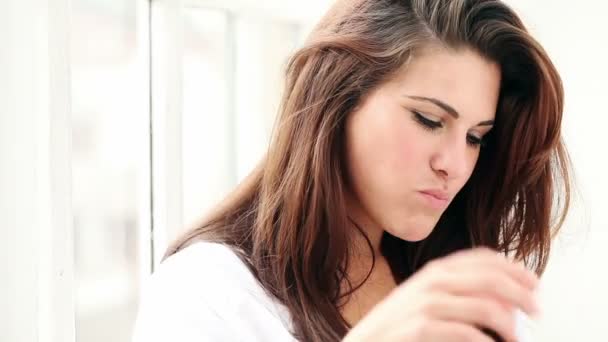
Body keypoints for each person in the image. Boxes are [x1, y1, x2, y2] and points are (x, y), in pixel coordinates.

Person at [132, 0, 572, 341]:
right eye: (428, 120)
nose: (454, 165)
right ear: (338, 100)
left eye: (476, 137)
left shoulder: (460, 288)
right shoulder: (207, 291)